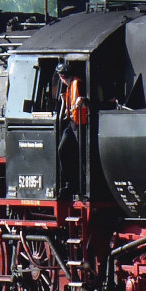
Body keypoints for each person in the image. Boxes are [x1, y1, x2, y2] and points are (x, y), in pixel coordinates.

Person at [56, 62, 87, 202]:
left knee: (82, 154)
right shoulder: (69, 88)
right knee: (63, 148)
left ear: (62, 77)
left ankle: (82, 185)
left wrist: (84, 100)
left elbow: (85, 98)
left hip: (81, 123)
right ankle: (69, 183)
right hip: (72, 122)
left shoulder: (78, 83)